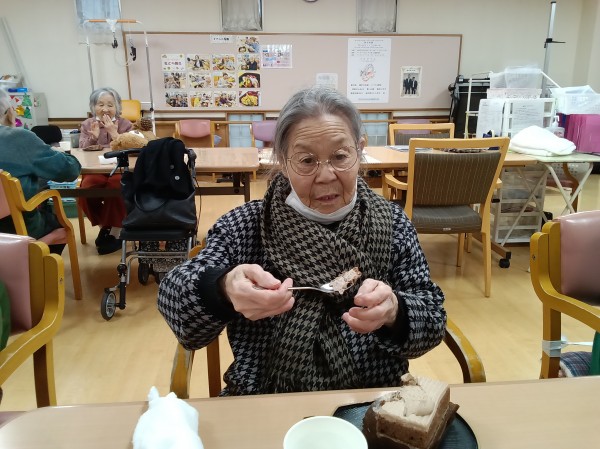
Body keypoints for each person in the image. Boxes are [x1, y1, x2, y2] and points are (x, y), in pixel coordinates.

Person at [158, 86, 446, 395]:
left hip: (372, 400)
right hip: (264, 399)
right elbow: (177, 305)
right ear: (282, 161)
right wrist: (223, 289)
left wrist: (394, 311)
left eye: (340, 156)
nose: (326, 175)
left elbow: (432, 320)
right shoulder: (246, 225)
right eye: (307, 160)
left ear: (359, 150)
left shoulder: (391, 223)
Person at [0, 88, 81, 253]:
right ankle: (33, 265)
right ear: (9, 112)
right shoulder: (18, 138)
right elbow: (70, 170)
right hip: (16, 230)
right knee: (56, 223)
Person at [78, 87, 133, 254]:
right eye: (100, 104)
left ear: (117, 107)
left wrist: (115, 134)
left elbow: (134, 149)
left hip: (120, 169)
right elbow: (81, 148)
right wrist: (93, 137)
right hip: (95, 169)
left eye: (110, 105)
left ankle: (115, 231)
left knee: (117, 186)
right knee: (86, 188)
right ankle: (105, 226)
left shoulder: (126, 124)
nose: (105, 109)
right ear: (93, 106)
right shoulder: (87, 124)